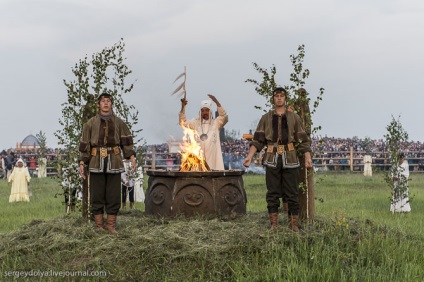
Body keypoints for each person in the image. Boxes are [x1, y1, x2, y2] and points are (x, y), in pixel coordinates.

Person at [243, 87, 312, 232]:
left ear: (285, 98)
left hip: (290, 157)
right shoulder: (266, 118)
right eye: (277, 96)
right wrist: (249, 157)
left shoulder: (294, 117)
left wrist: (307, 158)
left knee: (292, 192)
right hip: (272, 158)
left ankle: (293, 225)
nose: (279, 98)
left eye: (282, 96)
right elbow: (258, 140)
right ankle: (274, 224)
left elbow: (303, 140)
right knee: (272, 192)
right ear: (273, 99)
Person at [79, 92, 136, 234]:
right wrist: (82, 163)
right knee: (97, 194)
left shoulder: (119, 123)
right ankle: (99, 225)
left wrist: (132, 157)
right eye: (103, 101)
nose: (105, 103)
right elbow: (85, 144)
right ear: (98, 104)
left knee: (113, 194)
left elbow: (126, 142)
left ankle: (111, 225)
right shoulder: (90, 123)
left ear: (111, 104)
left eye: (108, 101)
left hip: (114, 162)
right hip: (96, 162)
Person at [179, 94, 228, 170]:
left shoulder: (216, 123)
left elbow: (224, 117)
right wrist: (183, 107)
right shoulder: (195, 123)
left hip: (212, 157)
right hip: (199, 159)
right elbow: (183, 122)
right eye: (202, 110)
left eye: (206, 110)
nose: (204, 112)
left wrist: (217, 103)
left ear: (210, 111)